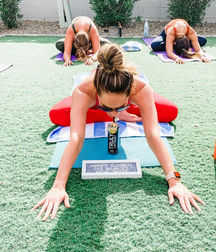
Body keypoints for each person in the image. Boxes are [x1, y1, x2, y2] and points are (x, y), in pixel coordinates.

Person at [33, 43, 205, 221]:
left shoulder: (140, 88)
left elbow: (153, 134)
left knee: (170, 111)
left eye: (120, 106)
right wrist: (58, 185)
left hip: (128, 99)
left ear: (130, 93)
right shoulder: (84, 90)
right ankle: (111, 109)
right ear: (97, 93)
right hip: (91, 103)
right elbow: (76, 138)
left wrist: (174, 179)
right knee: (57, 115)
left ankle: (117, 109)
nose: (113, 114)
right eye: (107, 107)